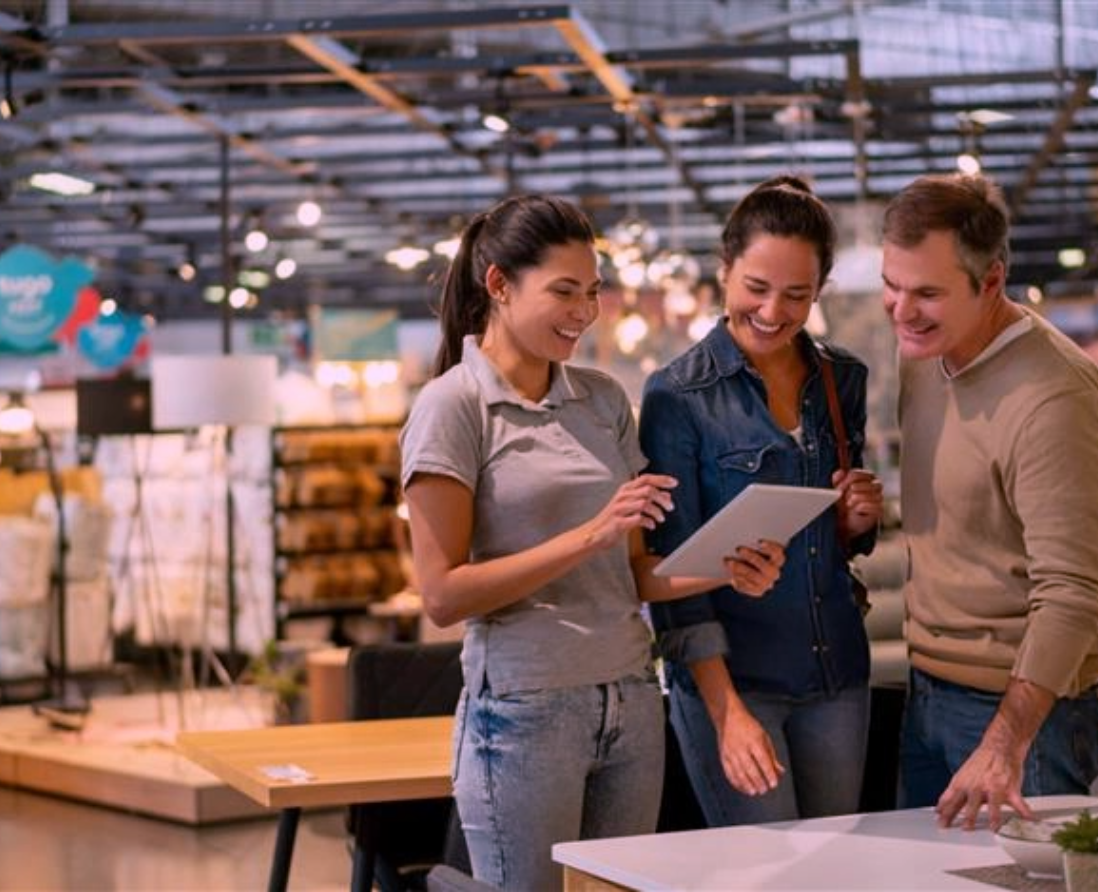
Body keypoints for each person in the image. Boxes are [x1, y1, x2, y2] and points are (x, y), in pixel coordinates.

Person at [399, 193, 756, 891]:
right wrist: (590, 533)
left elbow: (638, 574)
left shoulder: (599, 399)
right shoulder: (452, 406)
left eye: (591, 292)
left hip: (628, 696)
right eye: (564, 291)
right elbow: (442, 595)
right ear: (499, 285)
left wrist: (726, 567)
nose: (584, 312)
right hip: (524, 709)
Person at [637, 175, 885, 827]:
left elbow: (832, 539)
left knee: (835, 869)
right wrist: (725, 712)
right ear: (723, 271)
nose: (774, 311)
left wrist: (855, 521)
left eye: (797, 294)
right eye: (756, 288)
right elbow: (674, 579)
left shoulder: (842, 379)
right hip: (734, 682)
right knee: (765, 873)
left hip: (837, 672)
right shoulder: (677, 398)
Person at [880, 172, 1098, 830]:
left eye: (926, 293)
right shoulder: (924, 355)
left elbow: (1074, 592)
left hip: (1023, 719)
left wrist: (1005, 744)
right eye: (892, 285)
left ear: (993, 281)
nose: (901, 310)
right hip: (926, 696)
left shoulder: (1054, 399)